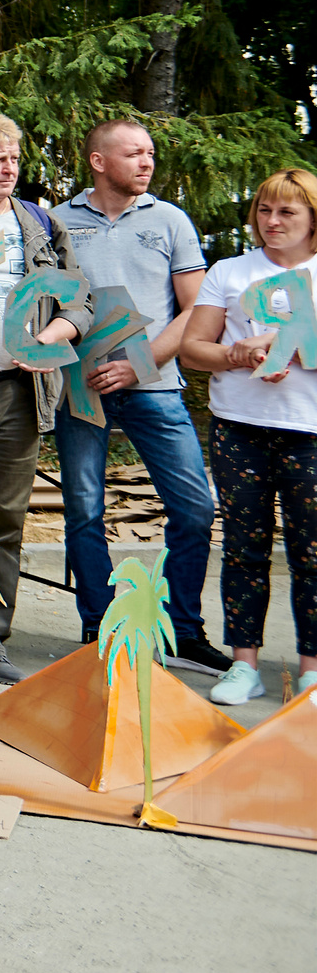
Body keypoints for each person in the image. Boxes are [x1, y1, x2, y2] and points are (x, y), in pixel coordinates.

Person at [53, 119, 223, 671]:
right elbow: (43, 304)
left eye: (150, 153)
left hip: (155, 387)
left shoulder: (170, 220)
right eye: (133, 154)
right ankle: (100, 627)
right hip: (81, 391)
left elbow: (196, 311)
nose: (147, 162)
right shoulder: (57, 222)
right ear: (99, 162)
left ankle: (182, 632)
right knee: (83, 510)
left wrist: (138, 364)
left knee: (195, 509)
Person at [0, 113, 89, 685]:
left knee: (0, 519)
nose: (9, 170)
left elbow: (79, 304)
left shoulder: (38, 225)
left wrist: (50, 338)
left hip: (14, 393)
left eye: (14, 159)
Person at [181, 168, 317, 706]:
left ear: (312, 219)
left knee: (312, 553)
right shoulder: (231, 271)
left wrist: (290, 349)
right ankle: (244, 666)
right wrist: (238, 353)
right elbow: (194, 349)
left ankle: (311, 671)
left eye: (287, 212)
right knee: (243, 550)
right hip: (239, 428)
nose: (272, 222)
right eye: (264, 210)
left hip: (310, 433)